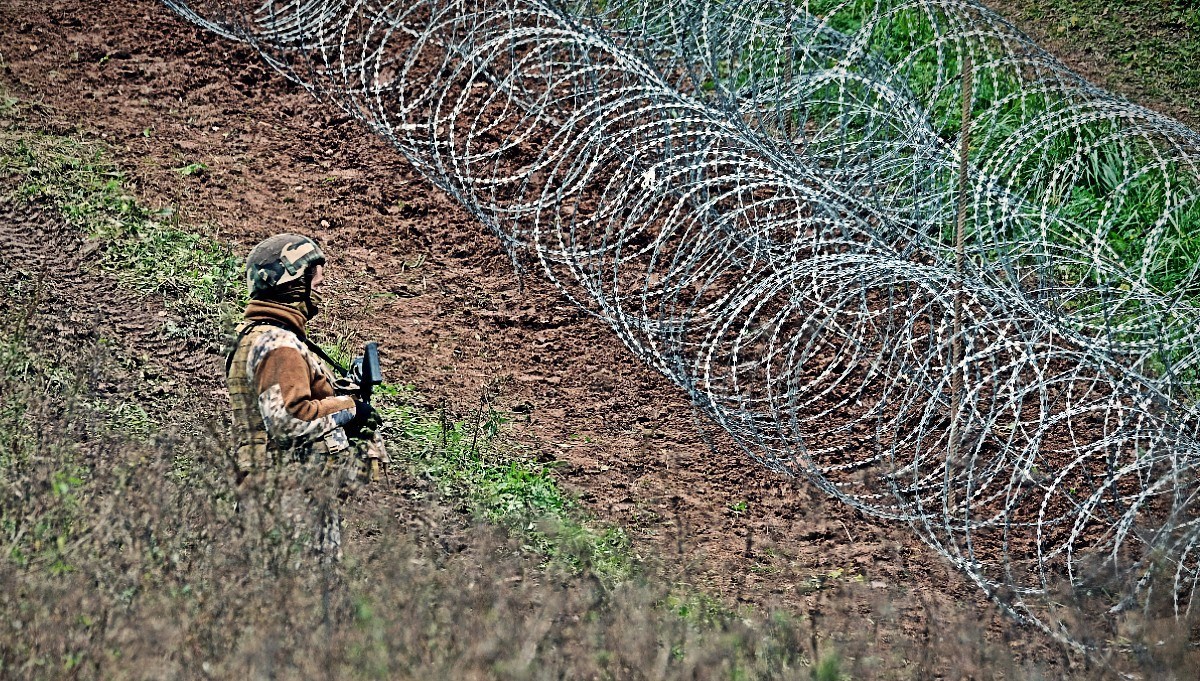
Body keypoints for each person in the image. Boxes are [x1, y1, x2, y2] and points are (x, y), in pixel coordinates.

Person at [225, 233, 386, 485]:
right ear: (294, 284)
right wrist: (352, 409)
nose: (320, 293)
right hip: (289, 496)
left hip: (267, 492)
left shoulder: (254, 336)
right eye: (317, 285)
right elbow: (289, 420)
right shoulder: (278, 344)